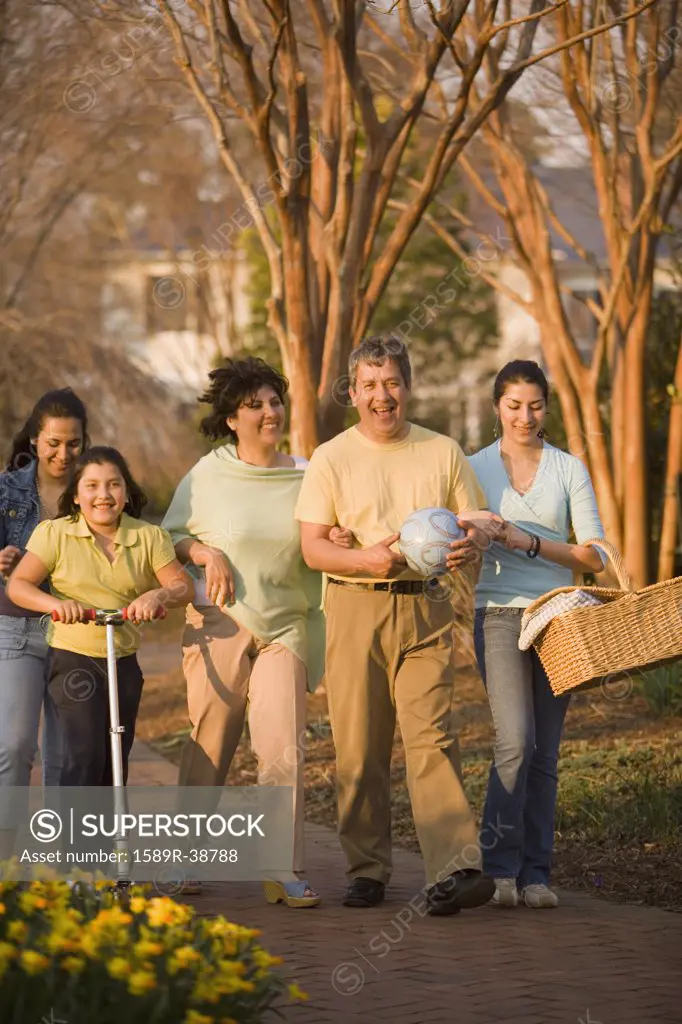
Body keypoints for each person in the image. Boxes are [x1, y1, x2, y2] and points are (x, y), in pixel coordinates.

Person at [295, 336, 496, 914]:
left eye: (392, 384)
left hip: (426, 605)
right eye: (370, 386)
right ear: (353, 393)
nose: (382, 396)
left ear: (406, 387)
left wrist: (470, 544)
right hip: (356, 605)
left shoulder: (443, 451)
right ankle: (367, 869)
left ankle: (455, 870)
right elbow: (313, 548)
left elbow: (476, 522)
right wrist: (364, 559)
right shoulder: (331, 457)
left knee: (432, 736)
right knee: (360, 746)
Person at [162, 357, 325, 908]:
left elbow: (321, 539)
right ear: (232, 418)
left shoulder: (306, 474)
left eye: (275, 401)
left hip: (286, 625)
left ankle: (283, 866)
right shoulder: (207, 474)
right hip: (219, 622)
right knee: (212, 743)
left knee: (283, 748)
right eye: (255, 405)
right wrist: (206, 552)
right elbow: (172, 537)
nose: (269, 412)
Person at [469, 359, 606, 909]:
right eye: (513, 405)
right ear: (497, 406)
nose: (525, 416)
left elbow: (594, 555)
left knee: (545, 753)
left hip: (559, 615)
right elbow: (438, 523)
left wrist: (527, 542)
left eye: (535, 405)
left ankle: (536, 874)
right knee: (515, 741)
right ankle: (499, 870)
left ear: (546, 408)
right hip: (498, 613)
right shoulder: (472, 466)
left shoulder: (568, 468)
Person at [6, 447, 191, 786]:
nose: (103, 495)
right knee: (84, 756)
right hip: (73, 659)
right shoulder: (55, 533)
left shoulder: (149, 537)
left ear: (126, 491)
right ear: (76, 496)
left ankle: (105, 838)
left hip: (123, 659)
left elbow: (184, 587)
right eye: (91, 486)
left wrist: (157, 594)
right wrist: (56, 605)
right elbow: (18, 585)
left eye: (113, 485)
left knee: (114, 758)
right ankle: (78, 839)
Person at [0, 388, 89, 808]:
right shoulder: (7, 490)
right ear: (35, 439)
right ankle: (6, 865)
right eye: (53, 443)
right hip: (16, 631)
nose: (63, 453)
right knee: (14, 747)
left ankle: (65, 866)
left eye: (74, 443)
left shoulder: (97, 490)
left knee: (67, 756)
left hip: (78, 635)